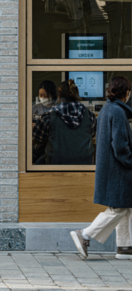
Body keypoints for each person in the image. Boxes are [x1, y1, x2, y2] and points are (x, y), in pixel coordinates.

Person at [71, 76, 132, 260]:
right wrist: (130, 161)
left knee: (125, 206)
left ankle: (125, 247)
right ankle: (84, 234)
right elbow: (120, 146)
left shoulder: (107, 109)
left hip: (111, 168)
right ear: (126, 93)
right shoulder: (118, 112)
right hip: (119, 169)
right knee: (119, 209)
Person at [32, 80, 96, 165]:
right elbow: (92, 134)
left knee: (37, 162)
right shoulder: (90, 115)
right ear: (76, 95)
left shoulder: (49, 116)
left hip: (56, 164)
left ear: (59, 96)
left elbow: (37, 137)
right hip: (85, 164)